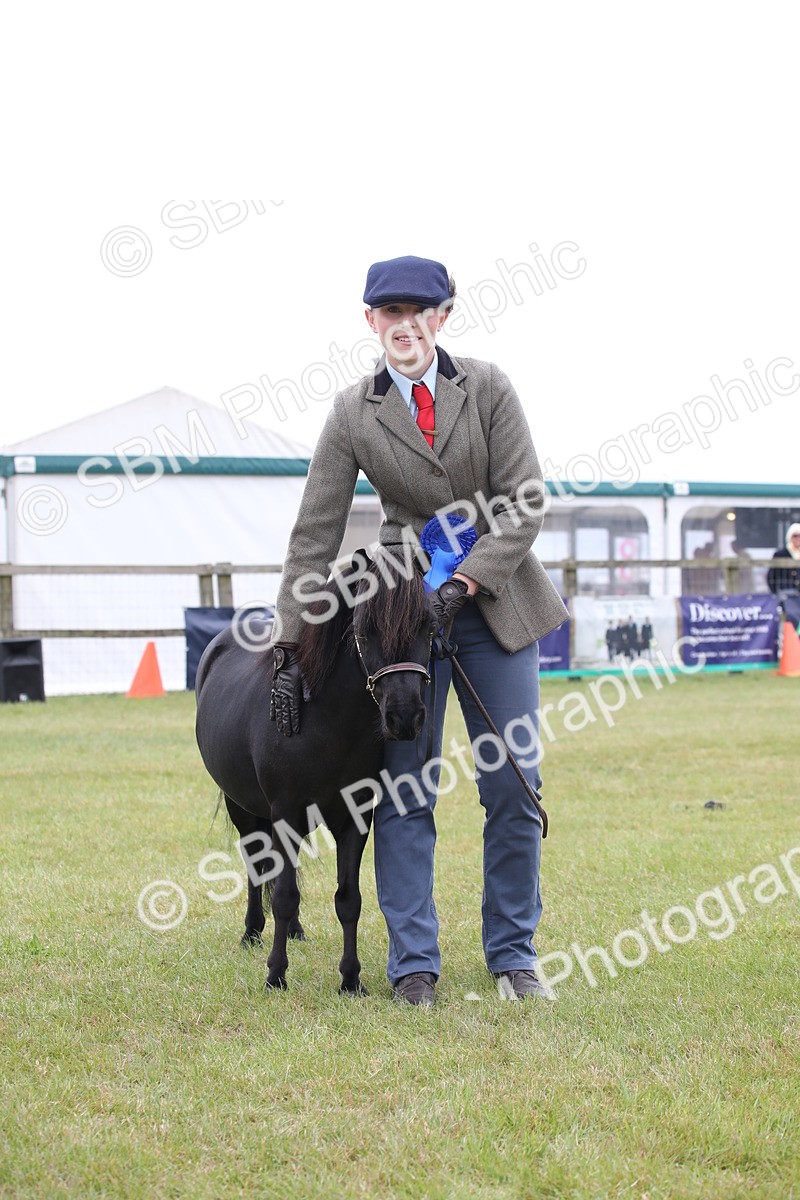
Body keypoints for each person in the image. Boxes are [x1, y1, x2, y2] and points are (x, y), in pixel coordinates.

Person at [269, 255, 567, 1006]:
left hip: (496, 605)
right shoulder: (350, 412)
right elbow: (315, 531)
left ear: (443, 316)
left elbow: (524, 501)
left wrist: (466, 580)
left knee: (512, 785)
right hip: (402, 618)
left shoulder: (490, 387)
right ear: (370, 322)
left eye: (419, 311)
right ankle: (413, 966)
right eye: (388, 312)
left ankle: (513, 955)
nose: (404, 324)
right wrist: (285, 639)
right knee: (404, 788)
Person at [767, 523, 800, 629]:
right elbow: (771, 576)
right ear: (789, 537)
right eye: (795, 535)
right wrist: (777, 593)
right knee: (793, 618)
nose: (797, 538)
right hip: (787, 595)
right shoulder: (781, 554)